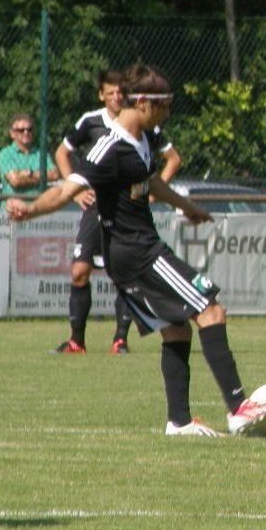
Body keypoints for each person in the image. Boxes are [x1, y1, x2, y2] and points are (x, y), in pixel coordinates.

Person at [7, 64, 266, 436]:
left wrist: (186, 206)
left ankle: (178, 422)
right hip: (137, 253)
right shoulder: (108, 148)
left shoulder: (144, 138)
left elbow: (149, 183)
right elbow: (67, 189)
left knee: (176, 329)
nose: (168, 114)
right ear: (144, 102)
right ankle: (238, 408)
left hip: (138, 250)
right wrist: (31, 208)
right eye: (165, 106)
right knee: (210, 310)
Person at [52, 69, 182, 355]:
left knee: (125, 275)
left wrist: (149, 192)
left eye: (119, 93)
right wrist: (74, 191)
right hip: (94, 206)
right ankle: (77, 341)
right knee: (79, 271)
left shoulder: (143, 126)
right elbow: (62, 153)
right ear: (101, 95)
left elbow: (172, 159)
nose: (115, 97)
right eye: (109, 92)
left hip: (126, 212)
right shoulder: (91, 121)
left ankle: (120, 339)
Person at [0, 113, 59, 197]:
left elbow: (55, 175)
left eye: (29, 129)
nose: (26, 132)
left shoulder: (41, 153)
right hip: (14, 207)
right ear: (12, 134)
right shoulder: (5, 154)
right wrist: (43, 177)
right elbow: (15, 181)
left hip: (39, 206)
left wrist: (29, 173)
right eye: (21, 130)